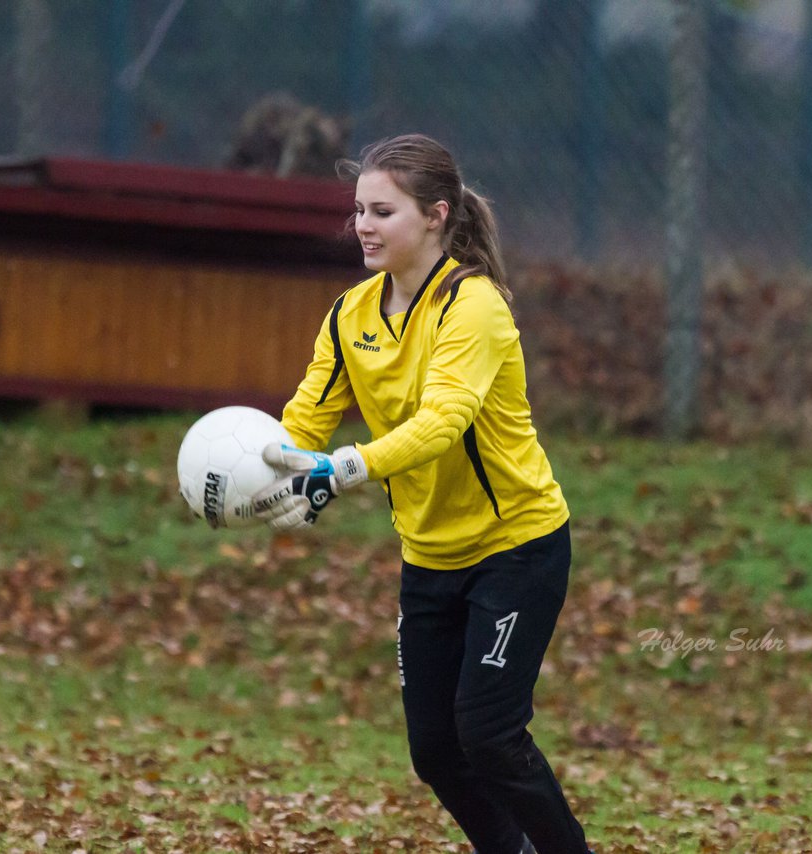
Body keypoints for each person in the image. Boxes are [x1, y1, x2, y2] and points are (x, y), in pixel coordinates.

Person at [251, 134, 592, 854]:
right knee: (435, 752)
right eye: (359, 211)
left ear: (436, 216)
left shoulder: (473, 307)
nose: (364, 227)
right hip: (430, 556)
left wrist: (346, 470)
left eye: (382, 211)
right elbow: (305, 420)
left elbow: (442, 423)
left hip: (517, 548)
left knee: (492, 734)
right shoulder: (351, 314)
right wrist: (275, 474)